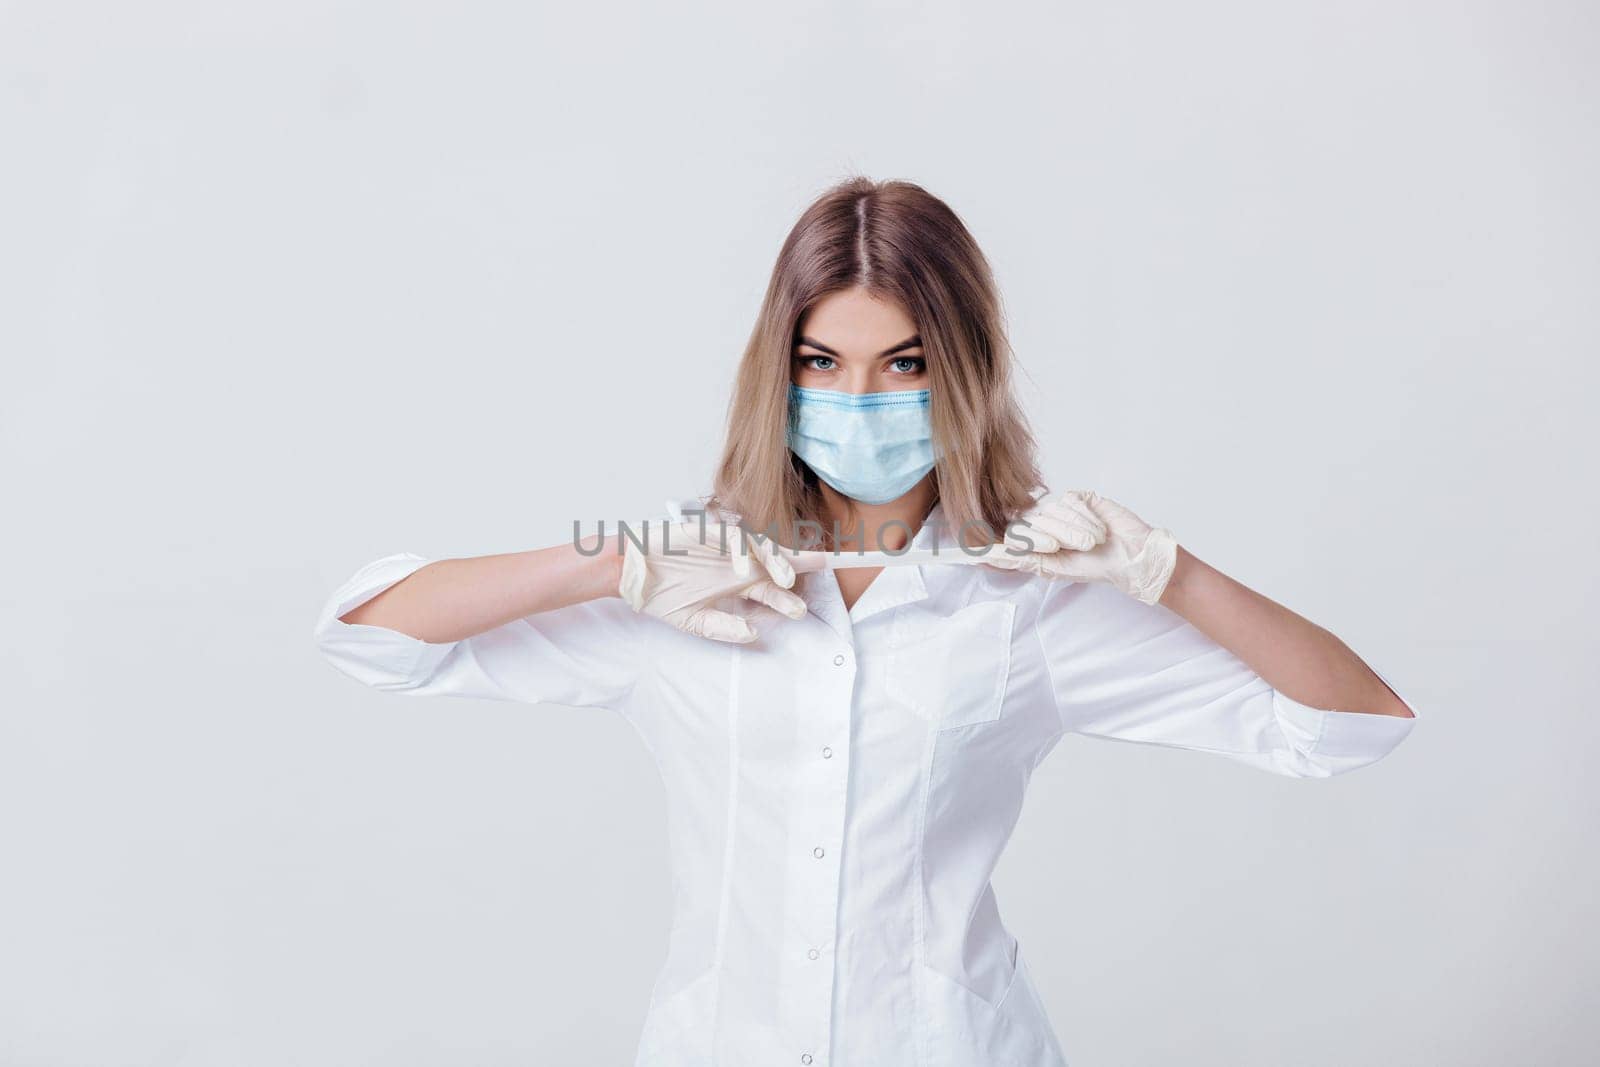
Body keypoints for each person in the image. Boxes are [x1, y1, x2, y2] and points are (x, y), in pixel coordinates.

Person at [312, 176, 1418, 1066]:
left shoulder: (1025, 598)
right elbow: (372, 631)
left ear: (962, 373)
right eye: (822, 362)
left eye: (903, 364)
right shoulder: (685, 587)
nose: (858, 398)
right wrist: (612, 563)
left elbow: (1349, 724)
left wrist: (1168, 571)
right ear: (777, 371)